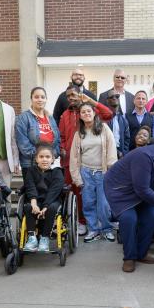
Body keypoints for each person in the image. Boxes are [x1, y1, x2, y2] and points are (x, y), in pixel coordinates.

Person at [104, 134, 154, 273]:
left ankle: (141, 253)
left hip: (141, 193)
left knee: (153, 215)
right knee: (129, 218)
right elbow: (142, 189)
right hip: (121, 191)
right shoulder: (144, 156)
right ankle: (129, 257)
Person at [59, 84, 114, 236]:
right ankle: (89, 226)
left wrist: (90, 101)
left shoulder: (100, 124)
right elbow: (63, 138)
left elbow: (108, 114)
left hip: (101, 169)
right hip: (80, 166)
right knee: (85, 200)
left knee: (103, 202)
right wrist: (63, 149)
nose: (71, 98)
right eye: (68, 95)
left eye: (74, 95)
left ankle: (106, 227)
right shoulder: (66, 116)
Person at [70, 103, 119, 243]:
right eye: (83, 112)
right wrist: (77, 178)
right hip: (85, 172)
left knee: (103, 204)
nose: (86, 114)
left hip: (102, 172)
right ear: (80, 116)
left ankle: (107, 229)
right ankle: (93, 230)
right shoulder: (79, 133)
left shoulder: (103, 128)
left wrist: (111, 171)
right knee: (88, 203)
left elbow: (111, 149)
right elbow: (74, 156)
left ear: (94, 113)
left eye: (88, 111)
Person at [22, 144, 65, 254]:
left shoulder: (57, 172)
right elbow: (30, 187)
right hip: (35, 199)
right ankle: (32, 238)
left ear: (52, 159)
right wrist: (34, 203)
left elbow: (54, 191)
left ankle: (44, 238)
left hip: (52, 200)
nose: (44, 159)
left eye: (47, 157)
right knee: (28, 207)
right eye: (41, 157)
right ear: (36, 159)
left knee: (52, 208)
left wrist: (45, 206)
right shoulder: (31, 171)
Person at [15, 86, 61, 180]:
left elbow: (58, 139)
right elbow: (23, 144)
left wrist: (52, 155)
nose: (40, 100)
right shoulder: (23, 118)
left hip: (49, 164)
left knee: (49, 193)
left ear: (46, 99)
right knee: (33, 193)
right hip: (30, 164)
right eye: (36, 97)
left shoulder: (50, 118)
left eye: (42, 97)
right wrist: (41, 156)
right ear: (31, 99)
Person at [104, 90, 131, 157]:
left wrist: (124, 153)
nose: (114, 98)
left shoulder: (123, 120)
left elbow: (127, 139)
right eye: (111, 97)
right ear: (107, 101)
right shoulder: (103, 119)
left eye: (117, 96)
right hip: (106, 153)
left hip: (121, 154)